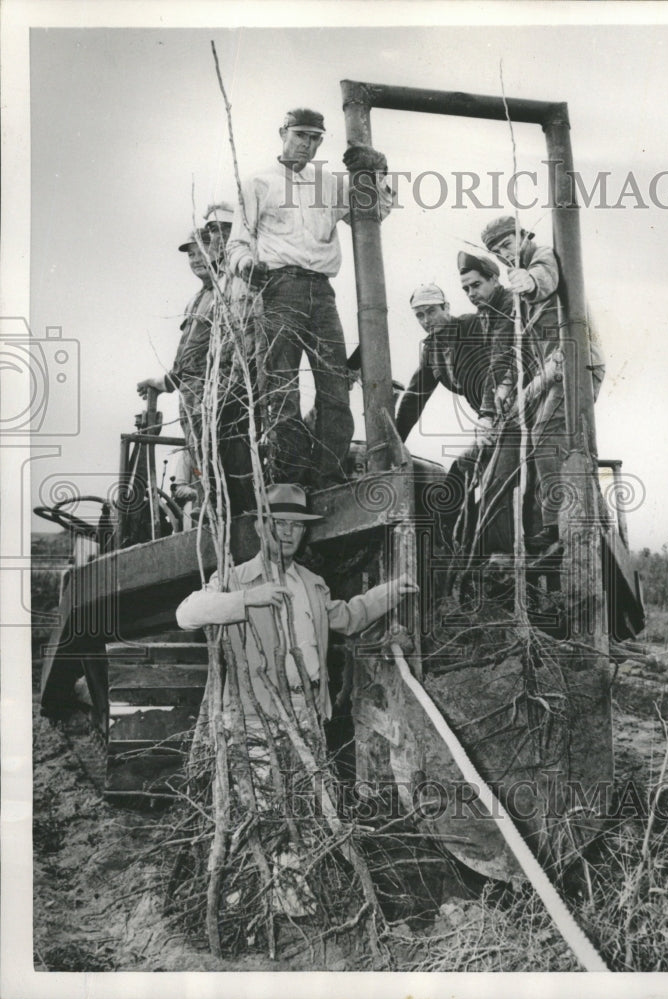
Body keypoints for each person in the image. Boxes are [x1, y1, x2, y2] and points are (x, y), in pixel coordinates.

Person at [226, 108, 393, 489]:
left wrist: (377, 172)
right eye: (301, 135)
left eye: (316, 138)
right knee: (281, 389)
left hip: (322, 291)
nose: (308, 144)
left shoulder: (329, 183)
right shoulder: (257, 183)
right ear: (282, 132)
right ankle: (291, 482)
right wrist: (246, 265)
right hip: (280, 288)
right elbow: (237, 243)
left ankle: (328, 480)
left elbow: (376, 212)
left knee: (335, 387)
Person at [175, 483, 418, 728]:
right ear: (260, 527)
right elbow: (185, 615)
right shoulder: (235, 579)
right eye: (279, 523)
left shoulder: (312, 583)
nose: (288, 532)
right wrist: (246, 599)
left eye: (297, 524)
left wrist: (392, 591)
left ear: (304, 532)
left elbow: (349, 617)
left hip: (308, 711)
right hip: (255, 716)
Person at [481, 216, 605, 551]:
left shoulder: (542, 256)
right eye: (497, 252)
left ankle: (556, 526)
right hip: (554, 370)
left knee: (546, 433)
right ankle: (555, 523)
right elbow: (523, 351)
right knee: (538, 440)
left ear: (523, 236)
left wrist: (528, 280)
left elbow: (544, 278)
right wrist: (506, 387)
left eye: (507, 245)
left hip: (577, 363)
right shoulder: (519, 298)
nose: (505, 254)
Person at [396, 260, 520, 555]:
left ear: (446, 306)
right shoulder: (433, 351)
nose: (427, 320)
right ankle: (461, 552)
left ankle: (487, 554)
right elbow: (414, 398)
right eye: (420, 315)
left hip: (510, 415)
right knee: (455, 483)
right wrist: (394, 442)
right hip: (488, 426)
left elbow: (499, 362)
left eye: (431, 311)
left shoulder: (473, 326)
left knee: (486, 482)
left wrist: (489, 414)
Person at [136, 228, 256, 514]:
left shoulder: (231, 291)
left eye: (202, 250)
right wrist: (163, 382)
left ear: (221, 249)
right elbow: (189, 356)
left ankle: (239, 520)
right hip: (192, 397)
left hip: (218, 394)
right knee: (205, 463)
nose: (195, 259)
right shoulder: (197, 299)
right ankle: (217, 511)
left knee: (228, 464)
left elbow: (236, 347)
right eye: (190, 254)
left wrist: (219, 390)